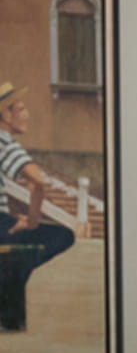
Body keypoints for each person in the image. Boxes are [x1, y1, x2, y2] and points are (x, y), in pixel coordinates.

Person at [0, 82, 75, 332]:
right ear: (5, 115)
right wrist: (31, 221)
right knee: (63, 235)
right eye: (21, 109)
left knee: (15, 256)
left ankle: (9, 318)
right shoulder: (5, 143)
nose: (27, 115)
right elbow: (38, 181)